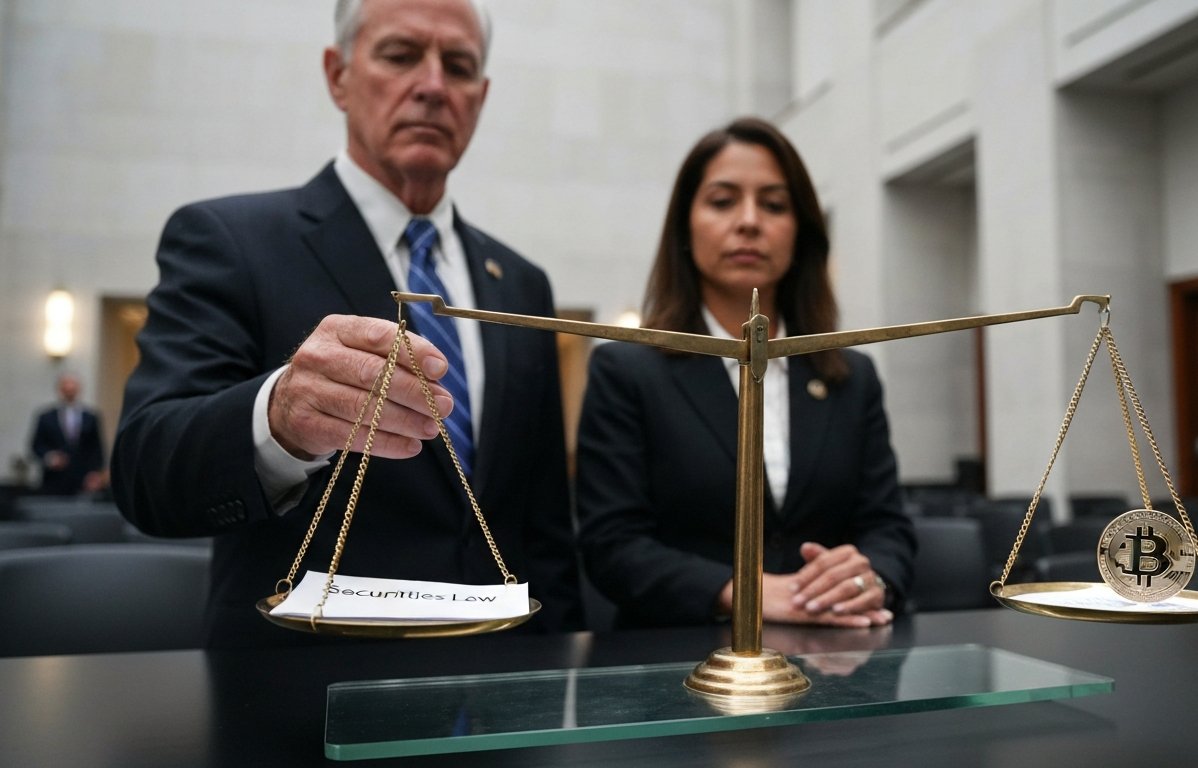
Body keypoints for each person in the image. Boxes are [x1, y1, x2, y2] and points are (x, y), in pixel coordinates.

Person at [111, 0, 582, 648]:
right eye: (400, 55)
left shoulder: (522, 283)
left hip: (500, 677)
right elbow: (145, 470)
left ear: (482, 94)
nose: (433, 85)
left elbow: (544, 525)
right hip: (304, 681)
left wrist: (563, 673)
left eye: (459, 66)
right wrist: (278, 417)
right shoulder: (231, 241)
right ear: (338, 76)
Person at [575, 118, 915, 629]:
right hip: (678, 654)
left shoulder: (852, 374)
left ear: (801, 231)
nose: (750, 221)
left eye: (774, 205)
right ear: (685, 226)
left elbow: (889, 529)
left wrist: (869, 581)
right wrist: (744, 592)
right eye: (722, 201)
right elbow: (611, 544)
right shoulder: (626, 369)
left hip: (837, 651)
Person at [30, 372, 106, 495]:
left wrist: (95, 473)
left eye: (72, 386)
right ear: (59, 389)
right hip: (54, 480)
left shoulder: (90, 417)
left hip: (82, 479)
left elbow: (97, 448)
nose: (69, 389)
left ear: (78, 389)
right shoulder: (46, 418)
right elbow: (36, 446)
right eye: (66, 386)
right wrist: (50, 457)